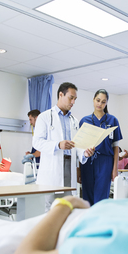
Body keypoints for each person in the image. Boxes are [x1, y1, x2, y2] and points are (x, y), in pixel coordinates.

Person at [33, 82, 93, 211]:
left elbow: (77, 145)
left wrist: (85, 153)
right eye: (71, 97)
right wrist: (57, 145)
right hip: (52, 168)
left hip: (69, 168)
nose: (73, 102)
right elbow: (37, 142)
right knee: (49, 206)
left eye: (75, 99)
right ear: (61, 94)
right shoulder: (44, 117)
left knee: (67, 206)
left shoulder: (74, 121)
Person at [78, 89, 122, 206]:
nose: (100, 104)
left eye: (103, 102)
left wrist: (115, 169)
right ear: (93, 100)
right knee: (87, 196)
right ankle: (90, 221)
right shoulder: (84, 121)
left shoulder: (112, 120)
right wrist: (78, 169)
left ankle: (100, 221)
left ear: (106, 103)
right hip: (87, 162)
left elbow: (116, 147)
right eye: (98, 100)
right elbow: (79, 147)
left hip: (105, 162)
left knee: (101, 197)